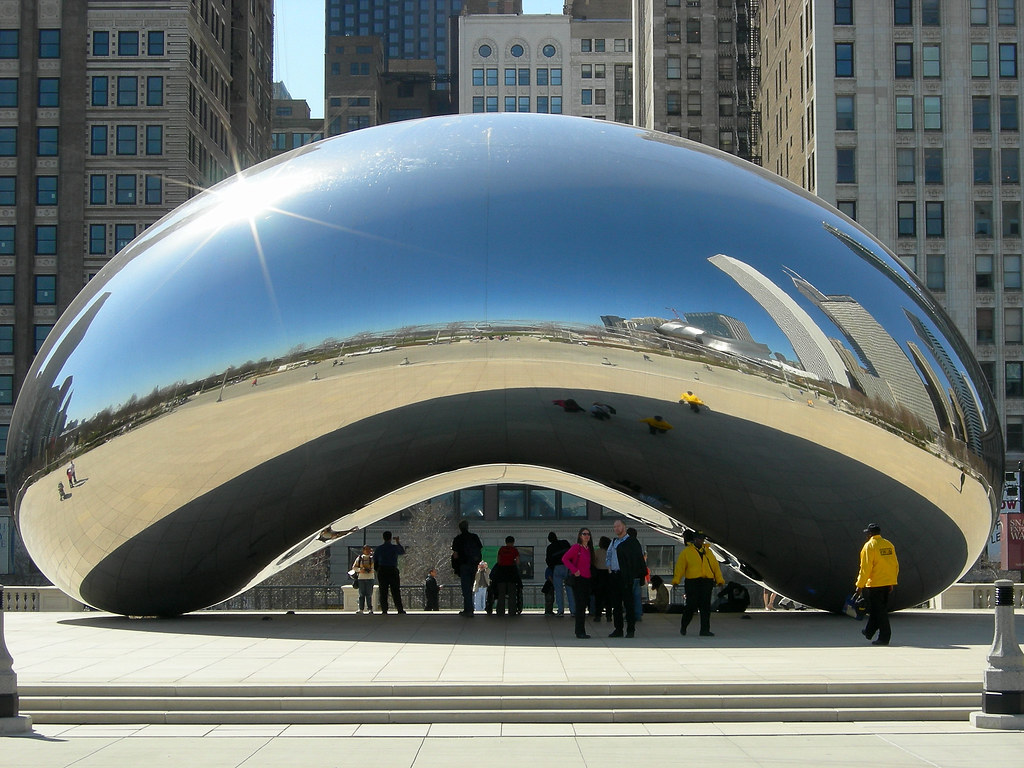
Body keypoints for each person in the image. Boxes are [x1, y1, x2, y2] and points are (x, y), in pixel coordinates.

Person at [673, 530, 725, 636]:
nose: (700, 541)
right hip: (692, 582)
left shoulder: (708, 552)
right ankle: (684, 625)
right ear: (694, 539)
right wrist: (676, 581)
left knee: (705, 607)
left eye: (702, 539)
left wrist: (719, 580)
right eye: (698, 538)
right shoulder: (687, 552)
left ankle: (704, 630)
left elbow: (715, 567)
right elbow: (680, 567)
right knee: (691, 606)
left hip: (706, 582)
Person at [855, 522, 899, 645]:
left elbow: (865, 568)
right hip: (886, 583)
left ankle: (884, 637)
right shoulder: (888, 544)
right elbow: (894, 565)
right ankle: (869, 631)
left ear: (869, 534)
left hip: (875, 584)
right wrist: (891, 582)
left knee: (880, 612)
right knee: (877, 609)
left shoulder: (869, 546)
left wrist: (859, 585)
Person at [606, 519, 645, 638]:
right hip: (615, 575)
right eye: (614, 527)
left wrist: (634, 575)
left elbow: (637, 560)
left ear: (624, 527)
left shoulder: (632, 542)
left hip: (627, 577)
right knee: (616, 604)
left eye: (618, 526)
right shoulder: (613, 542)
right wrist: (609, 567)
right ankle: (618, 629)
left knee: (629, 603)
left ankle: (630, 629)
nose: (616, 529)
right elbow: (609, 555)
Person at [562, 527, 595, 638]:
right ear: (580, 536)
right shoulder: (577, 547)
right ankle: (580, 631)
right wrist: (574, 570)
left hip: (587, 579)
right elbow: (565, 559)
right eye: (584, 534)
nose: (586, 536)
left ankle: (582, 630)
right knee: (580, 606)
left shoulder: (589, 549)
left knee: (584, 605)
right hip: (579, 579)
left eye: (588, 534)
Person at [451, 520, 483, 616]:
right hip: (473, 565)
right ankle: (469, 609)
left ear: (460, 528)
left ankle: (468, 610)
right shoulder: (474, 537)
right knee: (471, 587)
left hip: (463, 565)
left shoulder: (458, 539)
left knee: (466, 589)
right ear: (468, 527)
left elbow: (455, 555)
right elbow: (480, 549)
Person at [373, 531, 406, 615]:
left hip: (382, 570)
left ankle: (384, 609)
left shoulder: (379, 548)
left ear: (383, 538)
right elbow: (402, 552)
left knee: (383, 591)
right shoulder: (394, 548)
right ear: (391, 538)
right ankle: (399, 609)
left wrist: (378, 570)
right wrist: (398, 542)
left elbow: (375, 560)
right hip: (392, 569)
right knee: (395, 590)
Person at [546, 532, 575, 616]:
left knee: (559, 591)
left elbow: (548, 560)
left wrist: (552, 568)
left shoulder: (550, 548)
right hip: (567, 567)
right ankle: (573, 610)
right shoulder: (565, 543)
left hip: (557, 568)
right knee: (570, 590)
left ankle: (560, 610)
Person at [492, 536, 520, 615]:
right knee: (512, 593)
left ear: (506, 542)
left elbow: (498, 560)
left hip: (501, 572)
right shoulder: (514, 550)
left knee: (501, 593)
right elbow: (518, 562)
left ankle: (500, 611)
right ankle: (512, 611)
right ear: (513, 542)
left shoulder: (501, 549)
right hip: (511, 572)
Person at [627, 527, 646, 621]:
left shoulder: (627, 544)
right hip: (638, 574)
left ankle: (630, 615)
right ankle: (638, 615)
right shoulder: (637, 544)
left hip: (630, 575)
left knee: (629, 597)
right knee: (637, 596)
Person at [591, 535, 611, 622]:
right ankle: (609, 615)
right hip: (609, 574)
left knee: (598, 596)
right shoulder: (611, 552)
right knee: (608, 596)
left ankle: (598, 615)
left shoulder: (597, 552)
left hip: (599, 574)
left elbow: (593, 562)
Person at [352, 545, 375, 614]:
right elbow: (354, 567)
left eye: (369, 549)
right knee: (361, 594)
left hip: (370, 578)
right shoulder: (359, 558)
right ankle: (361, 608)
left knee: (369, 594)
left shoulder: (373, 558)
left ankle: (370, 608)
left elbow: (376, 567)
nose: (367, 551)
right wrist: (360, 570)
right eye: (366, 549)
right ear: (363, 550)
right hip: (361, 578)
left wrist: (371, 570)